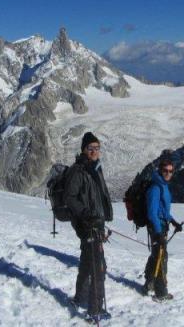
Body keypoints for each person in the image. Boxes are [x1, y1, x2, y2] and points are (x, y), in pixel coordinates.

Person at [64, 132, 113, 321]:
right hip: (87, 224)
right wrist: (86, 215)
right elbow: (70, 197)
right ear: (84, 150)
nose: (94, 151)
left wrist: (103, 218)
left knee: (87, 262)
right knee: (97, 266)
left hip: (96, 223)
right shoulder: (78, 170)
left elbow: (100, 196)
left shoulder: (95, 168)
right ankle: (95, 310)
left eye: (97, 148)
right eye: (90, 148)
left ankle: (80, 298)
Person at [143, 159, 183, 301]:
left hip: (161, 226)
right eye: (165, 170)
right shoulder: (156, 187)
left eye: (170, 171)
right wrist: (158, 232)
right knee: (161, 257)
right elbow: (152, 213)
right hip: (157, 227)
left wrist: (173, 221)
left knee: (156, 255)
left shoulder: (163, 185)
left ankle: (149, 283)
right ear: (160, 171)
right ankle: (160, 292)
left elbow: (163, 210)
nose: (168, 173)